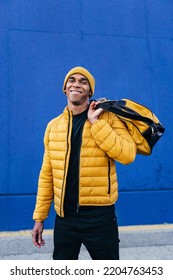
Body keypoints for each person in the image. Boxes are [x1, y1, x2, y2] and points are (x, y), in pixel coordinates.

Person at [32, 66, 136, 260]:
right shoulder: (53, 126)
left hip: (100, 217)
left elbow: (127, 155)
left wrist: (96, 124)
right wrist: (39, 217)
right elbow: (47, 174)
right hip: (65, 218)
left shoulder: (109, 119)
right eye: (72, 80)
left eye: (83, 81)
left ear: (90, 91)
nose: (76, 84)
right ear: (65, 88)